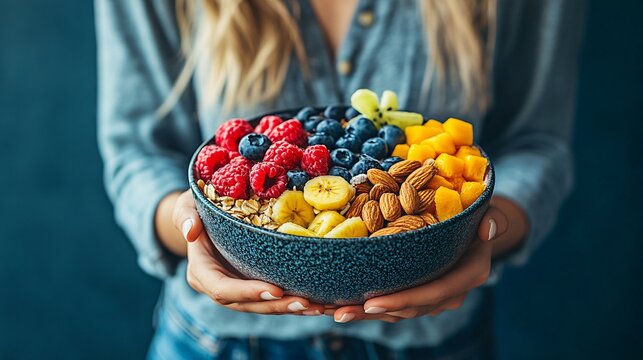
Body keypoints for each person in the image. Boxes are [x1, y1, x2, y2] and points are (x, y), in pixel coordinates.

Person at [96, 0, 583, 358]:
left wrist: (482, 233)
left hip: (434, 345)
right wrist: (191, 228)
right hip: (214, 342)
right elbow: (138, 150)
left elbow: (536, 144)